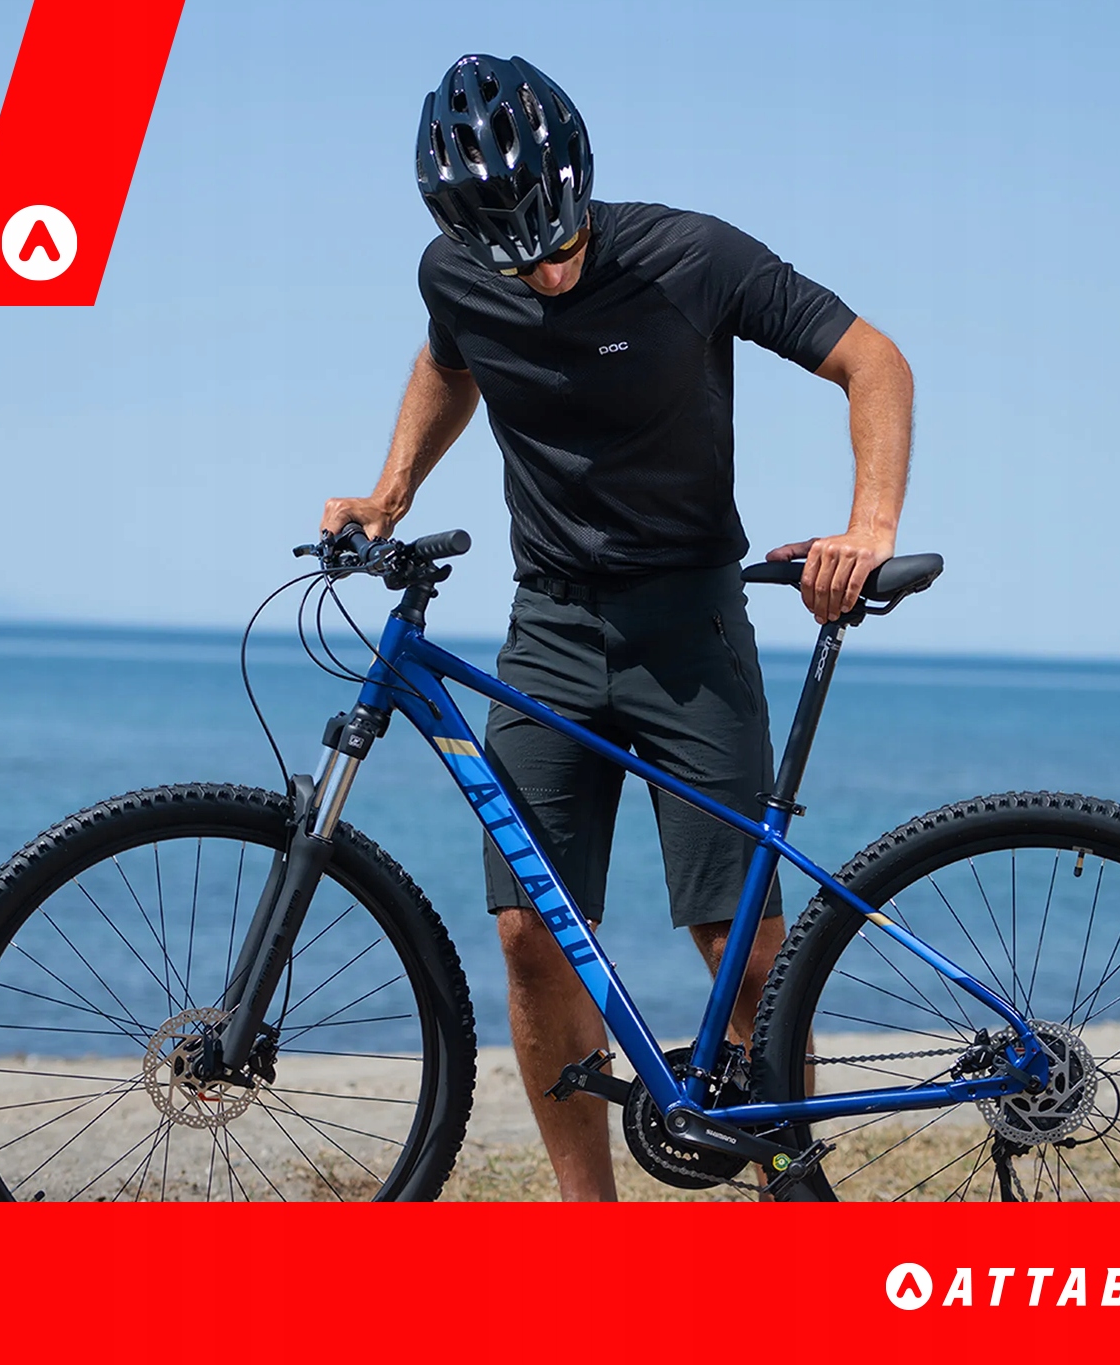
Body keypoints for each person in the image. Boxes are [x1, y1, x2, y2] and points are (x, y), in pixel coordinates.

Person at [321, 53, 913, 1201]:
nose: (542, 274)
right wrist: (390, 492)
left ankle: (792, 1198)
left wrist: (870, 525)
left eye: (554, 243)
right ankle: (591, 1230)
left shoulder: (693, 256)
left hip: (690, 629)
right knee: (530, 931)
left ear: (577, 182)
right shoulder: (457, 271)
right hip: (548, 629)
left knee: (739, 948)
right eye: (513, 258)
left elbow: (872, 361)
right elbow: (449, 362)